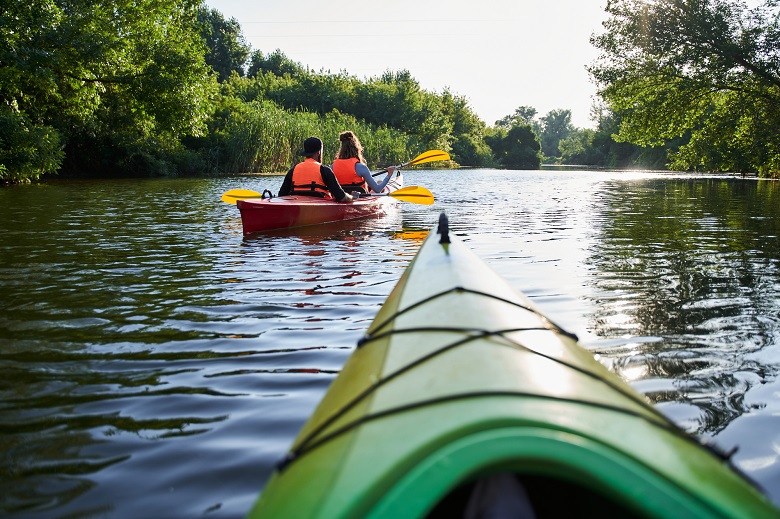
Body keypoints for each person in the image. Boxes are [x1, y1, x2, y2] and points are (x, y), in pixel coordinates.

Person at [278, 137, 353, 202]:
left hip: (297, 205)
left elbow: (281, 195)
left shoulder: (293, 170)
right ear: (318, 152)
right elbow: (341, 197)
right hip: (319, 208)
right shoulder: (324, 170)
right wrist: (352, 198)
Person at [331, 131, 397, 194]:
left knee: (378, 182)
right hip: (360, 198)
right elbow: (377, 189)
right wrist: (389, 175)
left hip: (340, 198)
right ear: (356, 148)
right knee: (379, 183)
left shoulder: (332, 167)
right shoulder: (361, 168)